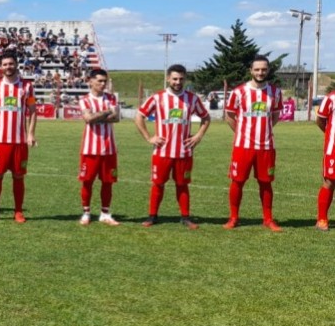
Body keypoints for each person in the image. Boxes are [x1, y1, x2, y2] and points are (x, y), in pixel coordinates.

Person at [134, 64, 210, 229]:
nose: (178, 82)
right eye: (174, 79)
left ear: (185, 79)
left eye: (181, 79)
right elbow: (139, 116)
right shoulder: (157, 97)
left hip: (184, 151)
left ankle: (185, 217)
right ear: (168, 78)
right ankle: (152, 216)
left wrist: (198, 136)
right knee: (158, 184)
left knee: (182, 184)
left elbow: (206, 117)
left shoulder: (192, 98)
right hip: (162, 151)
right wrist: (149, 137)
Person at [224, 55, 282, 231]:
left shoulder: (275, 92)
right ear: (251, 71)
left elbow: (276, 115)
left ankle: (268, 219)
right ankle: (233, 218)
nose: (260, 72)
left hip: (266, 146)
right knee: (237, 181)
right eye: (257, 69)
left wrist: (264, 130)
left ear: (268, 70)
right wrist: (242, 132)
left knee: (266, 182)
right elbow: (229, 116)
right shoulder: (239, 92)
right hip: (243, 146)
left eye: (264, 69)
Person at [0, 51, 37, 223]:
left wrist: (30, 134)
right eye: (5, 64)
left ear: (16, 64)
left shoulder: (27, 87)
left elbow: (33, 111)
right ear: (1, 67)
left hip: (20, 141)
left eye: (11, 64)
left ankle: (18, 211)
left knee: (18, 176)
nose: (8, 67)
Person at [78, 69, 120, 226]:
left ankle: (105, 213)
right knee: (87, 181)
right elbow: (88, 119)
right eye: (100, 81)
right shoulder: (85, 100)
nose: (103, 84)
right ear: (91, 81)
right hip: (90, 148)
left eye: (105, 81)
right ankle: (86, 213)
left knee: (108, 182)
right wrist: (107, 112)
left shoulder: (111, 98)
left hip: (109, 148)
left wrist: (99, 115)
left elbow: (116, 118)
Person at [316, 91, 335, 231]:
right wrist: (329, 134)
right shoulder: (331, 98)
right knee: (329, 181)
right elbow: (320, 120)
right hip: (333, 149)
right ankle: (322, 220)